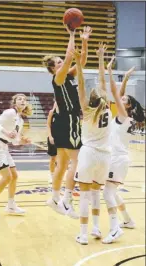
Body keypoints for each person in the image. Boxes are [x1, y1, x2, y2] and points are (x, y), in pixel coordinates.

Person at [42, 26, 92, 218]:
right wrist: (71, 34)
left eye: (62, 61)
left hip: (64, 121)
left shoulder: (69, 76)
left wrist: (85, 41)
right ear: (53, 69)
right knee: (77, 162)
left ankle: (54, 198)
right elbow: (71, 56)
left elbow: (81, 61)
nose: (62, 63)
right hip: (68, 120)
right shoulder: (58, 78)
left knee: (62, 164)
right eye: (59, 62)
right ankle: (67, 200)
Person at [102, 56, 145, 244]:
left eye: (124, 99)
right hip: (119, 157)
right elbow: (119, 93)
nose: (121, 98)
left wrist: (110, 71)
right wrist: (125, 77)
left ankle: (115, 229)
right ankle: (127, 219)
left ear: (127, 105)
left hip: (117, 159)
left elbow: (115, 92)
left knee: (107, 193)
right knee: (112, 190)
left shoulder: (123, 116)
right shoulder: (126, 116)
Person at [73, 43, 112, 245]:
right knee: (96, 193)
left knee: (85, 195)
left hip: (89, 154)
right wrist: (100, 58)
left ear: (91, 99)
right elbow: (103, 82)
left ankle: (83, 234)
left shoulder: (87, 111)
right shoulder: (107, 108)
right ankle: (96, 227)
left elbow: (80, 84)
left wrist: (79, 62)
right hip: (105, 156)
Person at [0, 93, 32, 216]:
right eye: (20, 99)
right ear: (14, 102)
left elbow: (15, 141)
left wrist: (23, 141)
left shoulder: (20, 120)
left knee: (14, 176)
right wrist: (7, 132)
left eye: (25, 100)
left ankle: (11, 205)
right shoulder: (10, 112)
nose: (23, 101)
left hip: (4, 147)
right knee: (7, 177)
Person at [47, 101, 58, 184]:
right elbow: (48, 125)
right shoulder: (52, 112)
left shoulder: (66, 112)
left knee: (62, 159)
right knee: (53, 158)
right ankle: (52, 175)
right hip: (53, 137)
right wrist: (50, 136)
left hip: (63, 138)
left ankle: (58, 175)